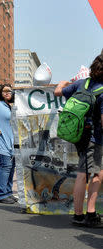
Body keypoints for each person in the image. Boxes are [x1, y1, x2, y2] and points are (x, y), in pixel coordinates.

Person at [54, 53, 103, 227]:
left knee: (90, 172)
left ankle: (82, 214)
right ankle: (86, 214)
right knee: (90, 174)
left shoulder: (82, 84)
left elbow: (57, 91)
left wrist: (64, 82)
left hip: (79, 134)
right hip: (94, 138)